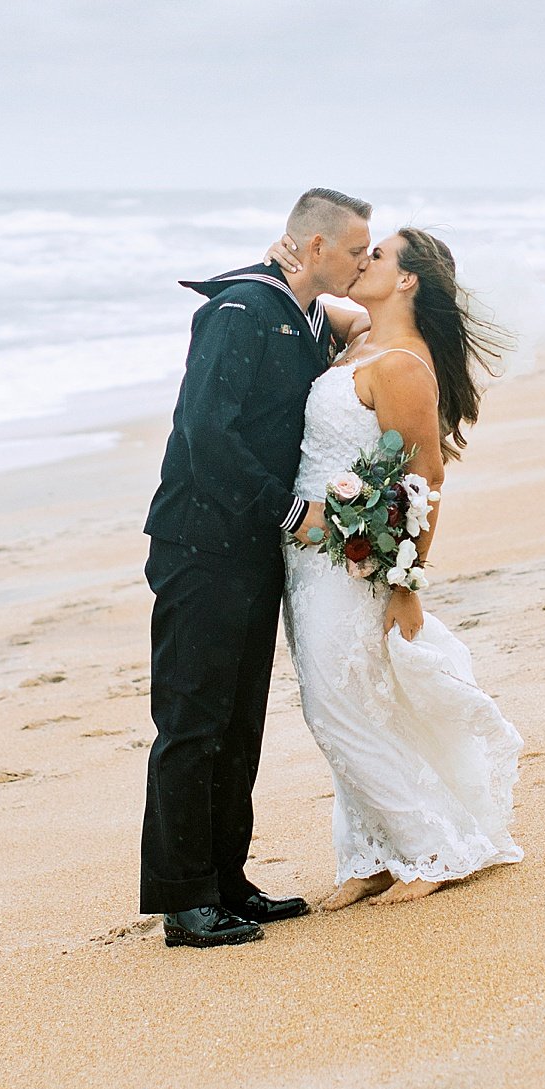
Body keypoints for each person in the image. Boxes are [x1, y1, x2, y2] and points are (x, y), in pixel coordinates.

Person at [138, 187, 374, 948]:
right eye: (355, 251)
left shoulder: (303, 312)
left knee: (239, 725)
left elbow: (336, 329)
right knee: (192, 718)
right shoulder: (237, 310)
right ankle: (185, 901)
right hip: (200, 547)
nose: (365, 262)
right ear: (312, 247)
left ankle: (228, 882)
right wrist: (285, 511)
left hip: (250, 553)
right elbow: (205, 432)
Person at [277, 227, 523, 908]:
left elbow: (426, 475)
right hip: (304, 557)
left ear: (407, 279)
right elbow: (304, 297)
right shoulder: (356, 336)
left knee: (336, 703)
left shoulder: (403, 364)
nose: (363, 262)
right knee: (344, 699)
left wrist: (407, 582)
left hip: (353, 561)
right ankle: (370, 853)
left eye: (377, 256)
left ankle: (431, 847)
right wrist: (292, 263)